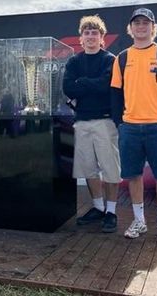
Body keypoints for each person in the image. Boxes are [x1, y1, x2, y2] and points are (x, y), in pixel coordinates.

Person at [111, 7, 157, 243]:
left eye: (145, 23)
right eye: (137, 23)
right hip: (130, 128)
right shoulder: (122, 58)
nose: (141, 27)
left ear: (153, 27)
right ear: (130, 29)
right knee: (133, 175)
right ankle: (139, 221)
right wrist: (119, 122)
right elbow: (115, 93)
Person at [63, 15, 121, 233]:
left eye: (94, 33)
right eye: (86, 33)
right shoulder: (73, 61)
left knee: (110, 169)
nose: (90, 37)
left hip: (105, 120)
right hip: (82, 121)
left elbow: (106, 85)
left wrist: (83, 83)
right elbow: (68, 88)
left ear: (102, 37)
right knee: (88, 169)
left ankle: (112, 212)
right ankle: (98, 207)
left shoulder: (110, 60)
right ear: (81, 37)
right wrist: (91, 84)